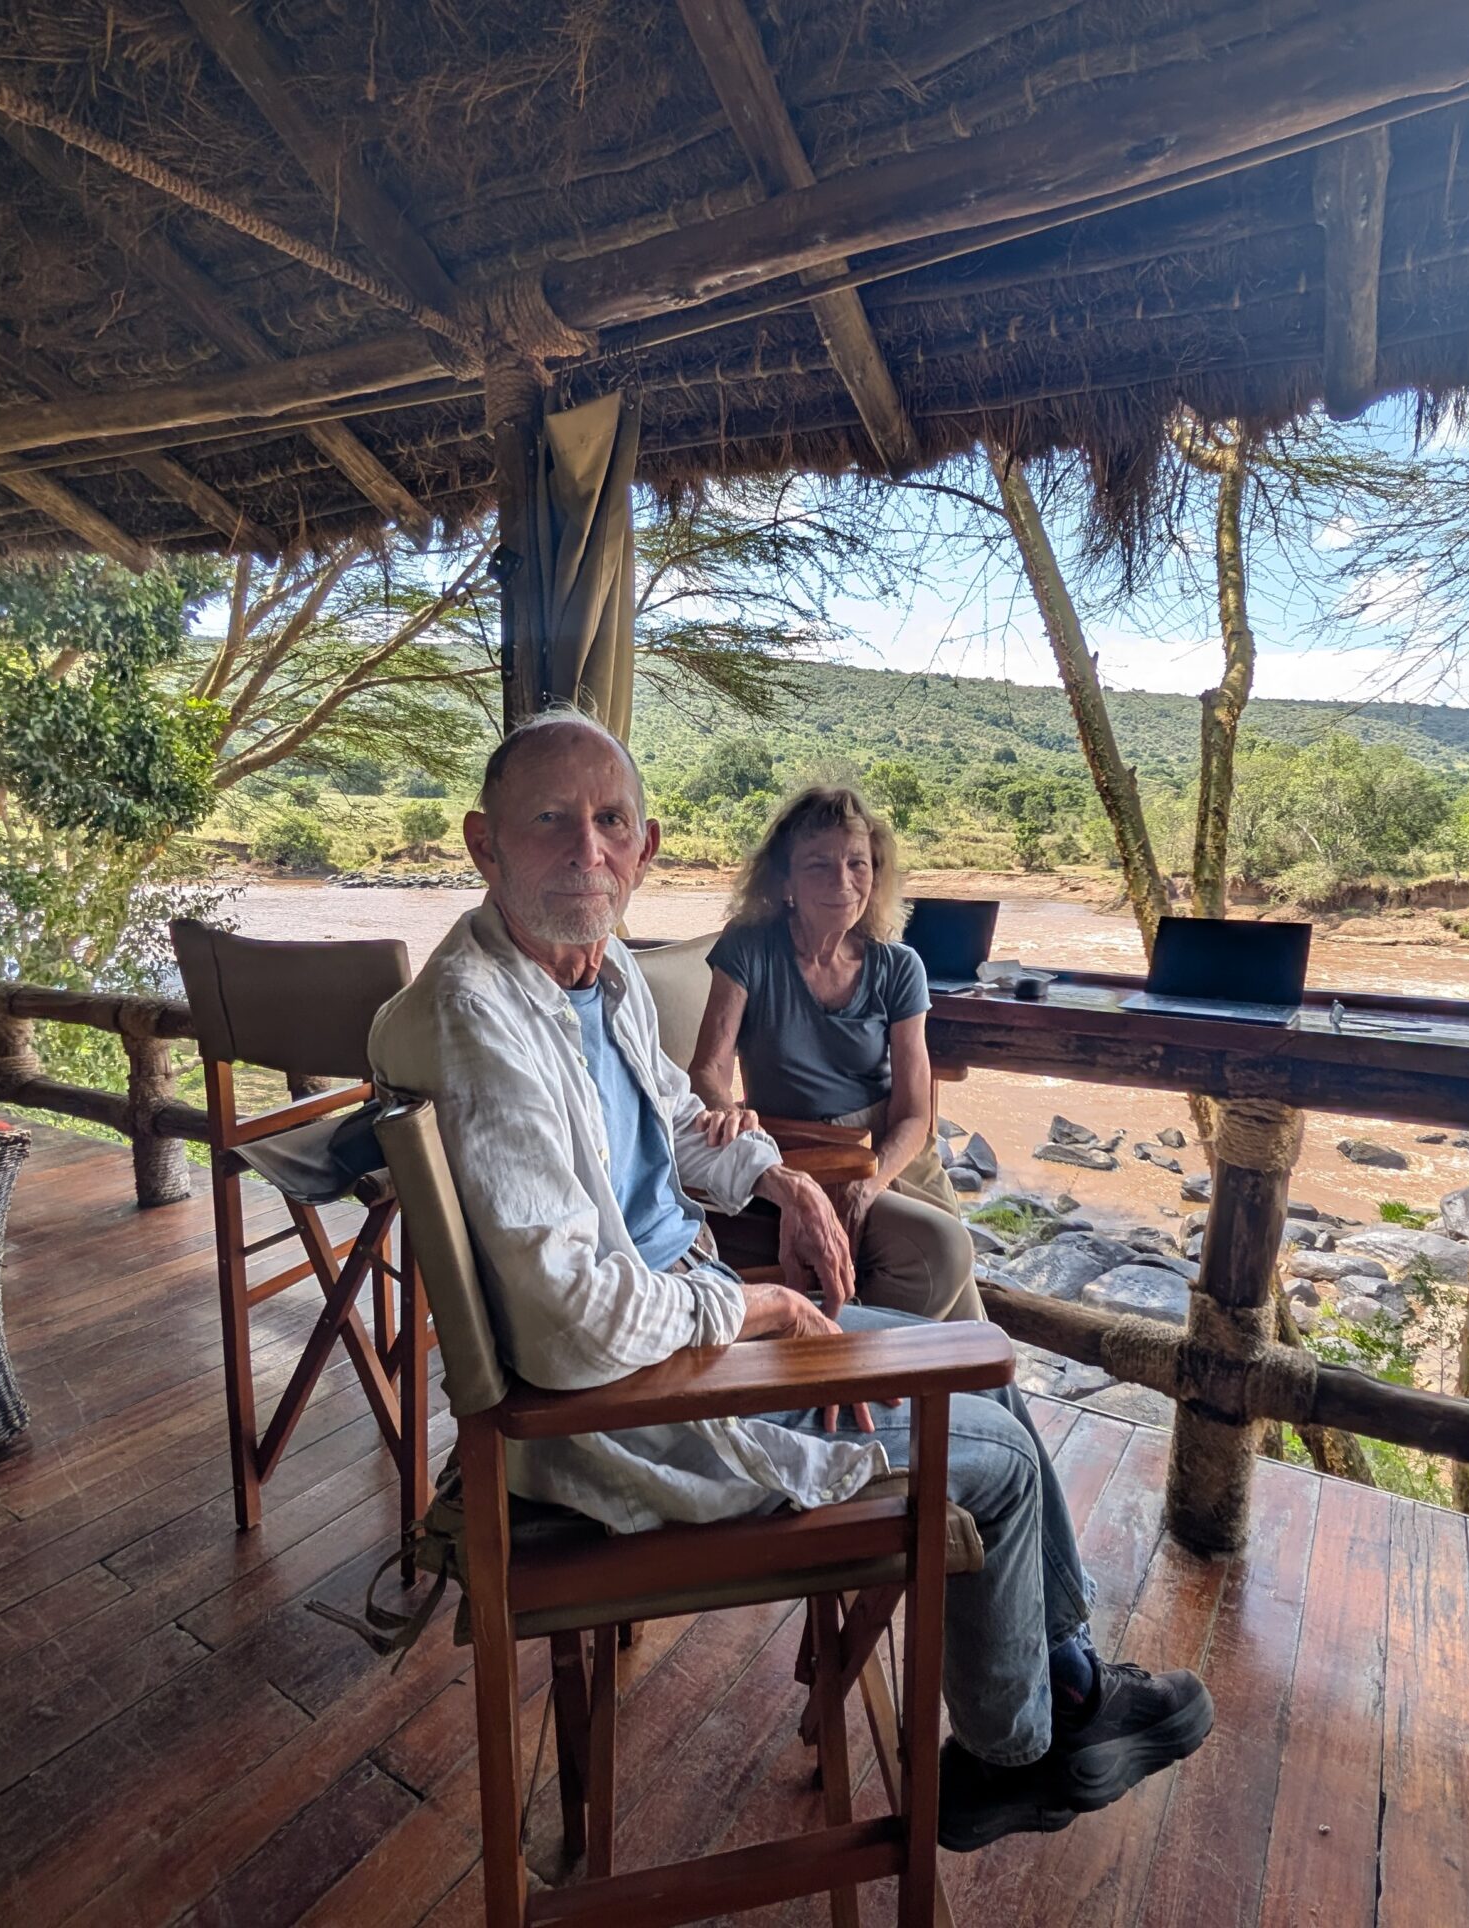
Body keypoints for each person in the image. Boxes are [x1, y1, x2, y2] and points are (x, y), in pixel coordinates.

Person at [368, 711, 1211, 1852]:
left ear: (645, 845)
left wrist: (782, 1181)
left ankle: (1063, 1682)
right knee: (1004, 1460)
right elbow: (574, 1327)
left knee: (992, 1388)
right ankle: (1008, 1757)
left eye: (610, 821)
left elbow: (683, 1114)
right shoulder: (481, 1019)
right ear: (485, 844)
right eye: (550, 820)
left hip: (681, 1328)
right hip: (628, 1405)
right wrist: (756, 1304)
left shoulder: (597, 976)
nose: (587, 850)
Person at [691, 786, 980, 1323]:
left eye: (857, 863)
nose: (842, 882)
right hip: (801, 1149)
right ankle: (841, 1357)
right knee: (939, 1254)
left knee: (961, 1301)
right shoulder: (750, 947)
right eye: (818, 865)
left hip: (893, 1151)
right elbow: (709, 1067)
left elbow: (914, 1113)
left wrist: (869, 1184)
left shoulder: (899, 967)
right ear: (785, 881)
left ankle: (862, 1357)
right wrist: (726, 1111)